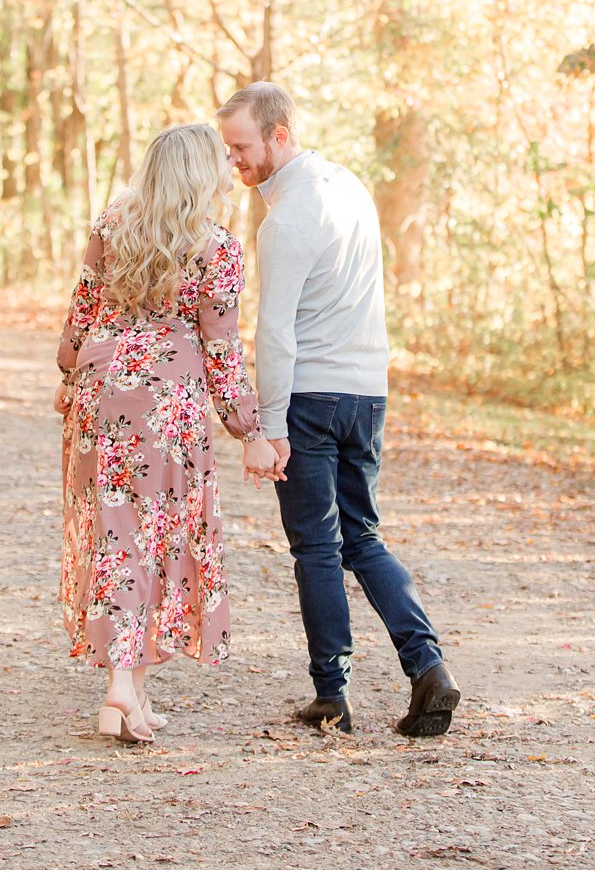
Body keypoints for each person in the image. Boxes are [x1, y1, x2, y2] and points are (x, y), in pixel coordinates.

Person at [216, 82, 460, 737]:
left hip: (312, 398)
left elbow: (275, 333)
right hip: (366, 391)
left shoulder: (287, 219)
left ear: (280, 134)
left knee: (317, 547)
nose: (233, 159)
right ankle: (428, 667)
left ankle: (332, 694)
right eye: (227, 146)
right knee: (363, 537)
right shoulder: (350, 187)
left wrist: (269, 426)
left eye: (241, 146)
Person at [55, 123, 282, 744]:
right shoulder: (216, 248)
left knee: (115, 533)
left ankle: (133, 692)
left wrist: (69, 373)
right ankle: (121, 687)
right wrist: (251, 430)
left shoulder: (112, 224)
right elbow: (220, 350)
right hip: (167, 405)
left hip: (102, 392)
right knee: (154, 540)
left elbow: (82, 311)